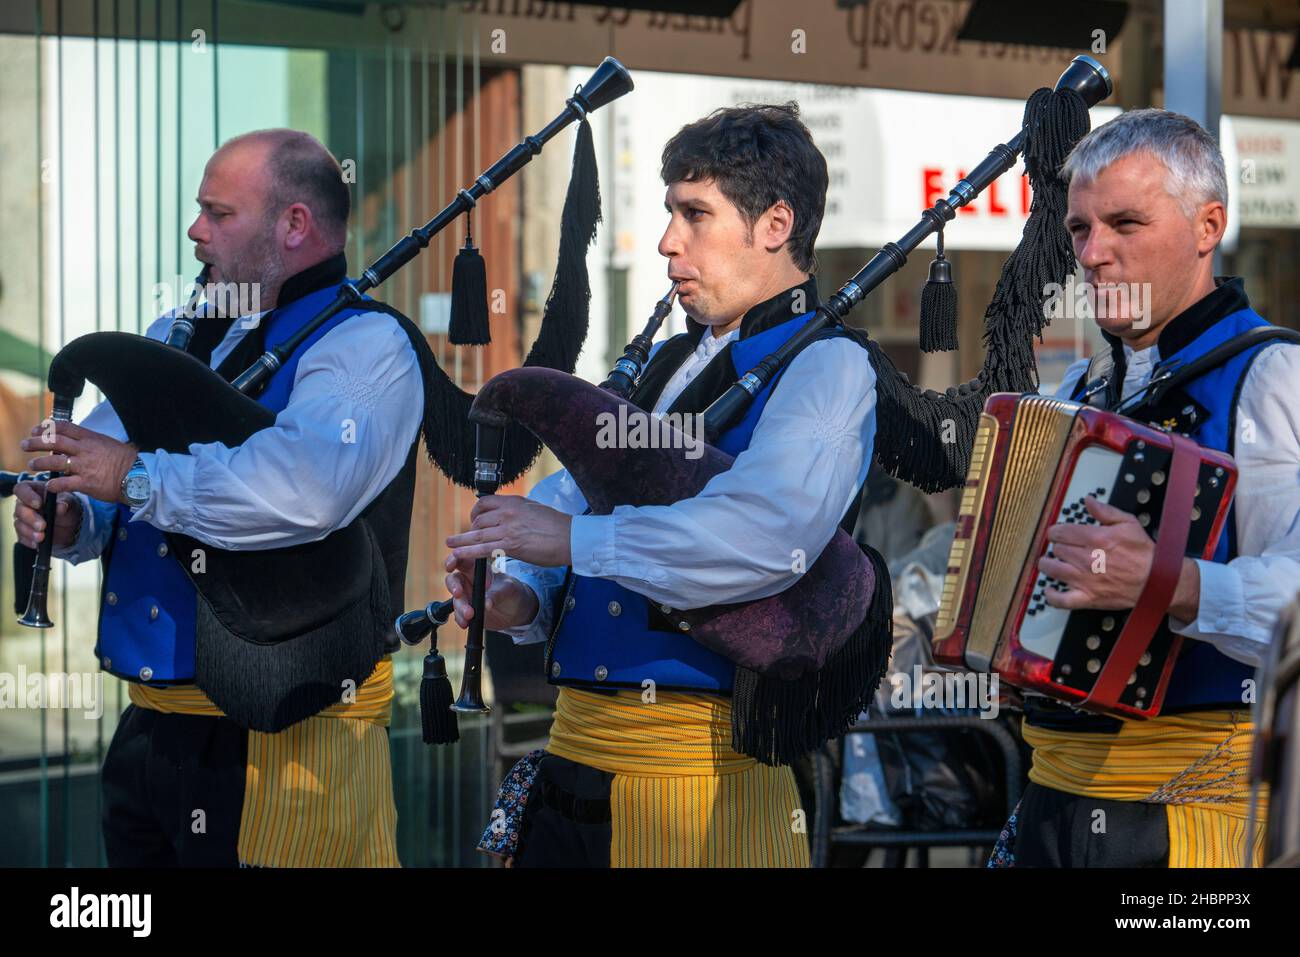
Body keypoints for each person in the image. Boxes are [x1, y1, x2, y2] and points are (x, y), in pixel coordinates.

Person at [445, 103, 879, 867]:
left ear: (774, 225)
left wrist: (574, 541)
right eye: (669, 211)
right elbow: (576, 497)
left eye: (695, 214)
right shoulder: (665, 366)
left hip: (697, 781)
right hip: (575, 757)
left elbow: (766, 536)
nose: (666, 241)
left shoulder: (828, 365)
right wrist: (521, 591)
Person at [13, 129, 427, 867]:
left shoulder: (366, 346)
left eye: (218, 213)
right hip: (148, 727)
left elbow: (307, 486)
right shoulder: (178, 335)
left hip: (284, 736)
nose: (195, 230)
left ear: (294, 224)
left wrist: (134, 476)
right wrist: (76, 514)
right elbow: (107, 472)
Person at [997, 109, 1300, 868]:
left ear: (1209, 227)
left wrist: (1172, 582)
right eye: (1079, 230)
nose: (1094, 254)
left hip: (1193, 811)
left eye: (1126, 223)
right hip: (1052, 794)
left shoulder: (1274, 375)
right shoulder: (1080, 387)